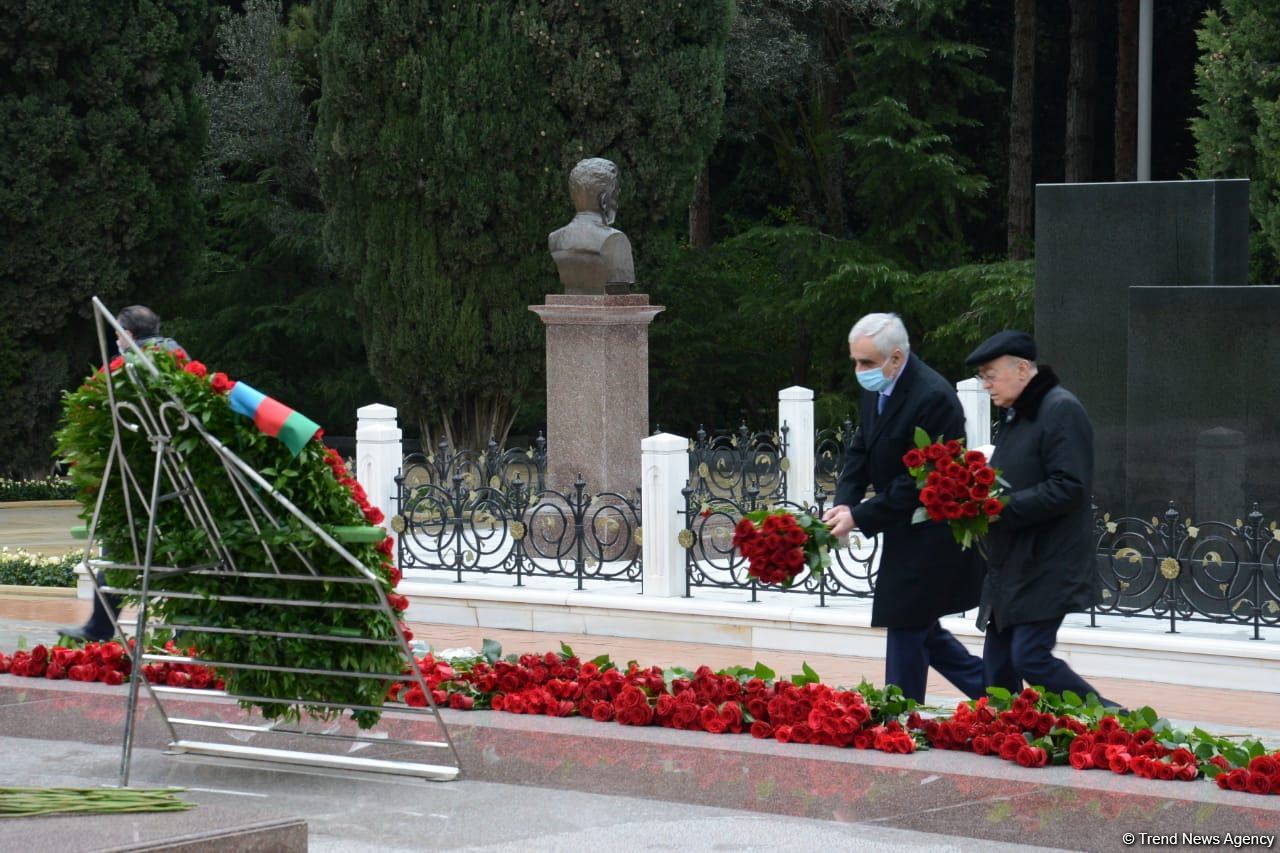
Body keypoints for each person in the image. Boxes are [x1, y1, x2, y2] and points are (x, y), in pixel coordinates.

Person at [822, 313, 986, 703]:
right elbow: (862, 447)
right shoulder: (879, 386)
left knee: (906, 622)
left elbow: (921, 481)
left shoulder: (934, 397)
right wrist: (844, 501)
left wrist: (860, 516)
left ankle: (899, 715)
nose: (859, 370)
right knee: (921, 629)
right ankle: (999, 696)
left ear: (895, 358)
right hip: (901, 526)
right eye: (855, 361)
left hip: (931, 529)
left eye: (866, 363)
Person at [965, 330, 1119, 707]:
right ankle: (1010, 738)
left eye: (990, 374)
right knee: (997, 671)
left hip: (1047, 562)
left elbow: (1070, 486)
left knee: (1029, 657)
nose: (986, 385)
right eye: (982, 377)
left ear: (1021, 369)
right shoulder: (1019, 414)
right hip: (1013, 563)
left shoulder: (1060, 408)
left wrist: (998, 507)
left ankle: (1119, 723)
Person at [60, 305, 184, 642]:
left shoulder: (124, 369)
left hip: (135, 478)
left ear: (128, 334)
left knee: (116, 554)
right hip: (180, 477)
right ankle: (187, 635)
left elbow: (94, 411)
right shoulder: (179, 358)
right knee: (184, 556)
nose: (116, 340)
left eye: (117, 333)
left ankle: (98, 629)